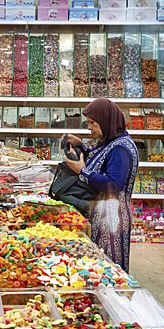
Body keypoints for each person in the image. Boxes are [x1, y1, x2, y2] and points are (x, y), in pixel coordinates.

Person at [61, 98, 139, 272]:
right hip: (103, 214)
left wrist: (82, 171)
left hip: (110, 220)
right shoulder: (112, 141)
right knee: (99, 269)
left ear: (106, 121)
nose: (89, 127)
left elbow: (114, 184)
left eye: (93, 123)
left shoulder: (120, 148)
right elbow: (100, 159)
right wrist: (81, 145)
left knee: (108, 269)